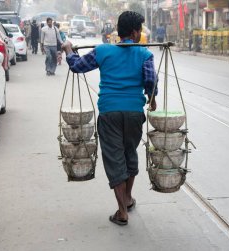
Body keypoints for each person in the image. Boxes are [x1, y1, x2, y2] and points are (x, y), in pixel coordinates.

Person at [62, 11, 158, 226]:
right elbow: (150, 82)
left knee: (115, 159)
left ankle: (122, 209)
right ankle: (128, 198)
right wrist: (152, 100)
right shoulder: (144, 54)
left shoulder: (103, 51)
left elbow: (77, 66)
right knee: (129, 153)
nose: (141, 33)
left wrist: (69, 50)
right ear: (133, 32)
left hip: (109, 113)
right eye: (140, 29)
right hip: (134, 113)